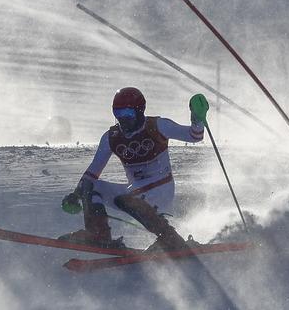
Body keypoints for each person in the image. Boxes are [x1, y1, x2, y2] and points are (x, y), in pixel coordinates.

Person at [59, 87, 209, 250]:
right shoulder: (111, 137)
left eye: (128, 114)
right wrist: (76, 194)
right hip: (134, 193)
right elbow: (92, 172)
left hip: (160, 190)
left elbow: (194, 136)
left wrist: (197, 118)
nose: (123, 120)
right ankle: (98, 234)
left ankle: (168, 237)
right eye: (118, 114)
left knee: (127, 198)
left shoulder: (158, 126)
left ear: (140, 111)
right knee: (91, 186)